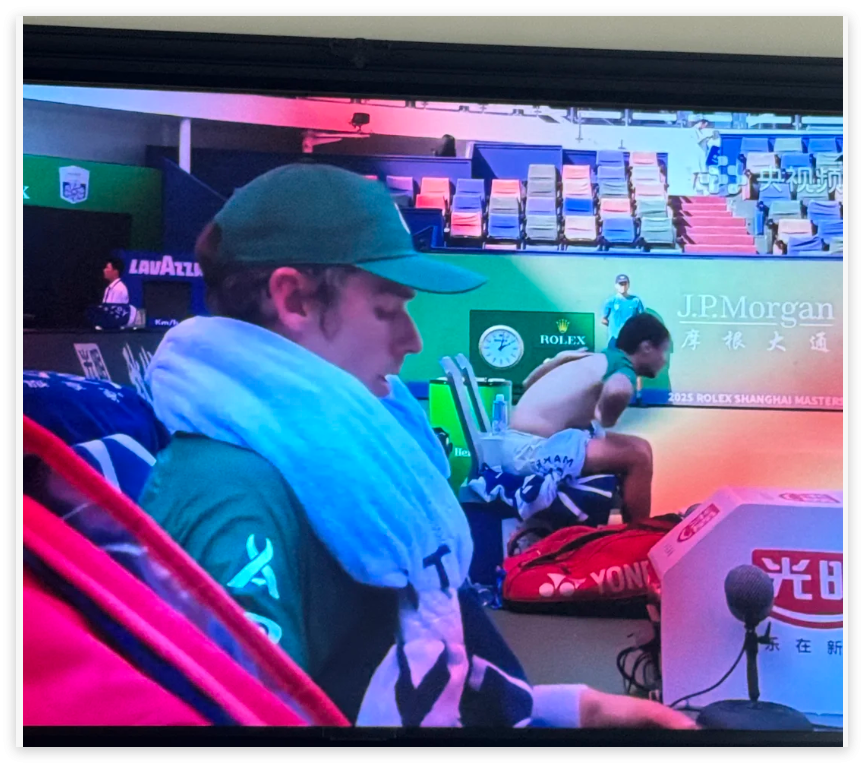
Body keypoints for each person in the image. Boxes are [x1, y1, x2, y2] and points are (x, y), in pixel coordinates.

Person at [138, 164, 693, 730]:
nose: (412, 340)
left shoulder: (342, 461)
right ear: (295, 299)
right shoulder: (232, 495)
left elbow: (408, 682)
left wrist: (573, 711)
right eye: (387, 309)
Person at [505, 313, 671, 523]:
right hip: (534, 450)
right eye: (663, 351)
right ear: (646, 347)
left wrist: (558, 359)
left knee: (641, 446)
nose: (664, 360)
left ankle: (632, 529)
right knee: (639, 456)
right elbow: (617, 391)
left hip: (517, 445)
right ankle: (638, 534)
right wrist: (607, 417)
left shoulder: (597, 358)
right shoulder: (622, 366)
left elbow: (528, 383)